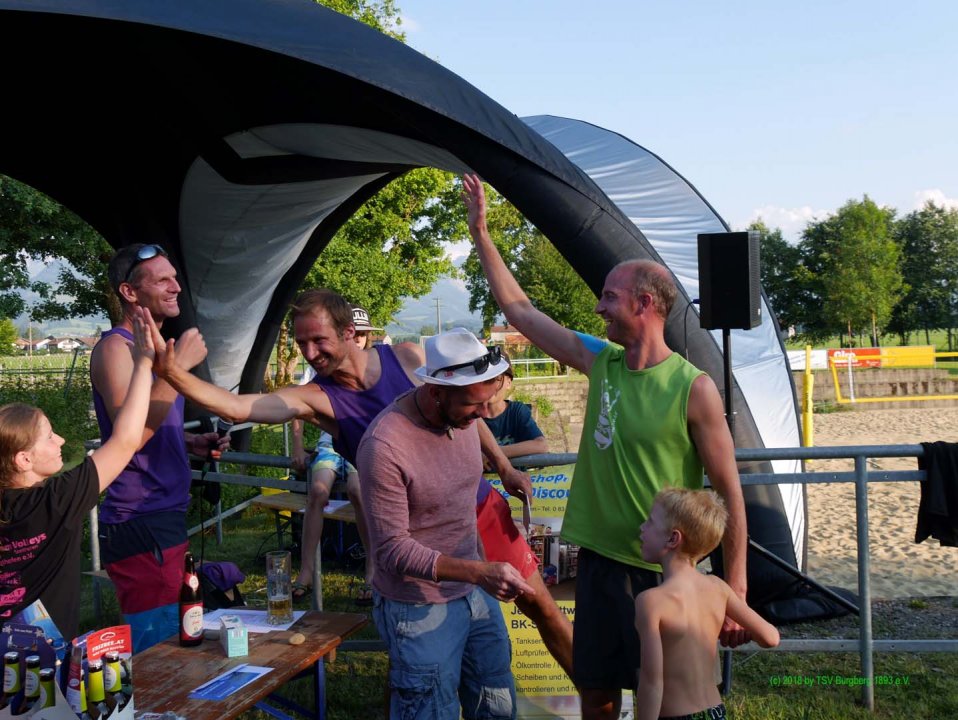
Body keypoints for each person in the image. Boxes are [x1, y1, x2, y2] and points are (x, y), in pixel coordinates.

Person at [147, 288, 575, 678]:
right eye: (300, 344)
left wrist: (502, 465)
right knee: (419, 661)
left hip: (475, 509)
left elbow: (470, 404)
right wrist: (173, 374)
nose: (310, 353)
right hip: (417, 537)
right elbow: (239, 408)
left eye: (319, 341)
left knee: (542, 608)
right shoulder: (317, 399)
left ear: (350, 332)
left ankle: (596, 701)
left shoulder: (406, 357)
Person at [461, 173, 749, 720]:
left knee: (667, 702)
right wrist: (481, 232)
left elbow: (731, 494)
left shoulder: (695, 389)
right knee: (595, 698)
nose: (598, 307)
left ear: (644, 304)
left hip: (663, 569)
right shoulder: (602, 361)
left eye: (609, 297)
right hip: (597, 565)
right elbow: (520, 311)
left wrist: (735, 588)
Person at [359, 328, 534, 720]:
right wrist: (479, 572)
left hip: (474, 592)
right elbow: (392, 549)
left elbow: (478, 420)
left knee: (496, 706)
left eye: (487, 401)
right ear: (436, 391)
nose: (483, 413)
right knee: (429, 711)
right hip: (418, 606)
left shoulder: (467, 414)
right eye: (474, 404)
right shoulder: (385, 446)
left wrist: (503, 467)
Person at [0, 308, 175, 639]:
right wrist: (145, 364)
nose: (61, 440)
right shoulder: (55, 501)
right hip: (43, 663)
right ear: (24, 459)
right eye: (49, 437)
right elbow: (125, 440)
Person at [90, 244, 227, 651]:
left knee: (178, 630)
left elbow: (150, 424)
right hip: (139, 517)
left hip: (163, 513)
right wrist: (176, 369)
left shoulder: (154, 351)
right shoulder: (116, 348)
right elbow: (128, 438)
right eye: (162, 279)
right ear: (130, 293)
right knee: (160, 650)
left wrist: (187, 442)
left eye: (175, 277)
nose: (175, 287)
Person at [635, 488, 779, 720]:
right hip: (715, 712)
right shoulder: (717, 587)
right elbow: (770, 637)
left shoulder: (651, 602)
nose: (642, 527)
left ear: (673, 538)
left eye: (650, 521)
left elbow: (652, 683)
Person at [289, 304, 378, 601]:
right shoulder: (321, 372)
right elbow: (295, 407)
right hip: (331, 443)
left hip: (363, 443)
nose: (359, 342)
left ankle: (371, 568)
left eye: (363, 336)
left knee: (357, 490)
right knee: (317, 491)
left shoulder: (376, 366)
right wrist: (298, 448)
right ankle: (306, 570)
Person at [481, 353, 549, 460]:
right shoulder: (471, 416)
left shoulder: (517, 411)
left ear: (508, 383)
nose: (490, 385)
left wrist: (491, 454)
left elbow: (542, 445)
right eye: (485, 378)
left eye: (496, 378)